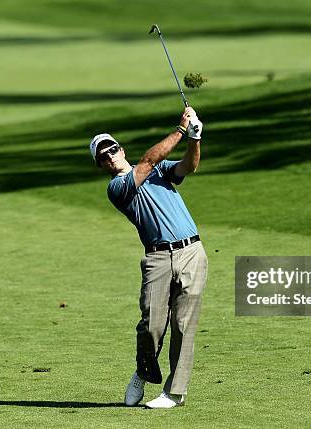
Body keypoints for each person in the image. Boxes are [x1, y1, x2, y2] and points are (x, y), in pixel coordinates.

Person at [89, 107, 208, 409]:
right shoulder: (117, 188)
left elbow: (187, 167)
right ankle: (143, 372)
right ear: (101, 165)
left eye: (112, 150)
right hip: (157, 259)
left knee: (184, 325)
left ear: (121, 149)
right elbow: (148, 160)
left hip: (192, 252)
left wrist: (195, 139)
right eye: (103, 156)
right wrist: (180, 130)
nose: (110, 157)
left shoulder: (160, 170)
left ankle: (174, 393)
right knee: (152, 325)